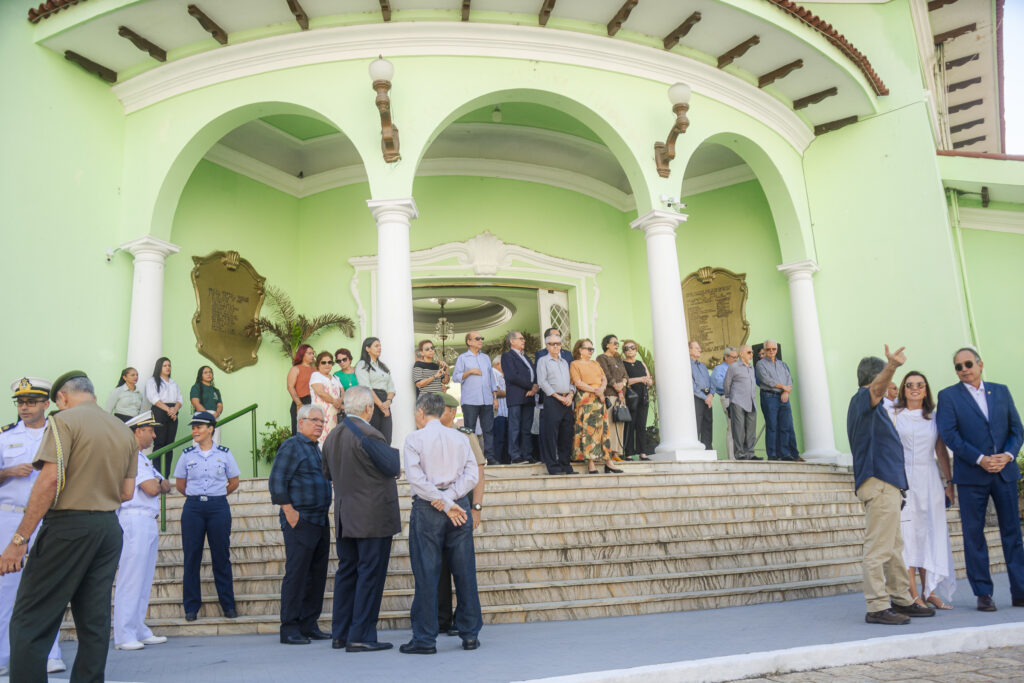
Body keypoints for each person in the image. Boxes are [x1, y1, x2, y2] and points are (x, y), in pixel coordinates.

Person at [2, 371, 137, 681]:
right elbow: (127, 493)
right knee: (93, 622)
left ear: (62, 398)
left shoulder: (63, 421)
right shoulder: (122, 429)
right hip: (107, 529)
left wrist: (19, 540)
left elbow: (48, 481)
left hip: (68, 527)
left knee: (29, 620)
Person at [847, 346, 935, 624]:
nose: (890, 388)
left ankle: (901, 598)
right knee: (878, 548)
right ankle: (876, 606)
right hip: (880, 483)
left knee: (894, 547)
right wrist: (893, 366)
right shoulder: (864, 398)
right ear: (875, 380)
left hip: (890, 486)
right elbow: (876, 389)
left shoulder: (875, 410)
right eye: (887, 382)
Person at [936, 347, 1024, 612]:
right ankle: (983, 593)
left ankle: (1020, 591)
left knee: (1013, 534)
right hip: (972, 475)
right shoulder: (948, 396)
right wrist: (980, 459)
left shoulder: (1001, 391)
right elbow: (950, 435)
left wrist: (1007, 455)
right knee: (973, 535)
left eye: (967, 364)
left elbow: (1016, 429)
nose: (963, 369)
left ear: (980, 364)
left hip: (1004, 472)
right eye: (958, 367)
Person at [400, 393, 481, 655]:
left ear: (422, 412)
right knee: (465, 570)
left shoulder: (413, 439)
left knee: (426, 573)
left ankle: (424, 639)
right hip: (458, 505)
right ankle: (470, 635)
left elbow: (417, 479)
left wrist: (443, 501)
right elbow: (473, 474)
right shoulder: (460, 437)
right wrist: (452, 499)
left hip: (430, 508)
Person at [322, 387, 401, 652]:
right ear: (368, 408)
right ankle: (362, 635)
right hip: (372, 516)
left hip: (346, 515)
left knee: (347, 573)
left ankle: (340, 633)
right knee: (370, 575)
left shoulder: (333, 435)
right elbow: (391, 467)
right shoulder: (369, 433)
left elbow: (327, 473)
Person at [0, 378, 64, 675]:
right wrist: (7, 471)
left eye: (31, 402)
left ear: (45, 404)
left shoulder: (59, 435)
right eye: (21, 402)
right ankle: (3, 656)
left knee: (48, 587)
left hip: (48, 517)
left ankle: (49, 653)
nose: (25, 407)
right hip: (10, 516)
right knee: (6, 588)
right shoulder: (4, 437)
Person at [889, 372, 956, 611]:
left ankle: (931, 592)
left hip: (929, 480)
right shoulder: (894, 416)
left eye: (920, 385)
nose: (915, 388)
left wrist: (949, 482)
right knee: (908, 536)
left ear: (926, 390)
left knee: (930, 533)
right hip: (904, 479)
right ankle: (913, 593)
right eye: (909, 385)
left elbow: (941, 452)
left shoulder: (934, 418)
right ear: (904, 390)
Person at [268, 404, 332, 645]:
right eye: (314, 420)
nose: (319, 424)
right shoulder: (291, 446)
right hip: (301, 520)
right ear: (301, 421)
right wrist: (290, 512)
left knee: (316, 575)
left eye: (322, 421)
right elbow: (277, 481)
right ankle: (290, 627)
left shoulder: (316, 448)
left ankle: (309, 623)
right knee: (297, 574)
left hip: (319, 520)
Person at [114, 411, 172, 651]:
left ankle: (138, 627)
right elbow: (151, 487)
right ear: (138, 431)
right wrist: (161, 485)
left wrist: (162, 485)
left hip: (146, 519)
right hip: (133, 518)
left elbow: (163, 485)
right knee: (131, 578)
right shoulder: (131, 457)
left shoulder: (142, 458)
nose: (154, 434)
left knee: (144, 577)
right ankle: (124, 633)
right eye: (150, 430)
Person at [174, 411, 240, 621]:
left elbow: (234, 481)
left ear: (211, 429)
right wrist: (199, 497)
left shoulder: (224, 453)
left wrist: (216, 495)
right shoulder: (186, 455)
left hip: (218, 507)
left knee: (221, 557)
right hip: (193, 508)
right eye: (193, 427)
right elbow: (180, 485)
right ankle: (191, 608)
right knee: (191, 557)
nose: (195, 431)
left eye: (199, 427)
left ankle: (228, 605)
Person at [436, 392, 486, 636]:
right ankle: (440, 617)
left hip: (461, 506)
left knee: (463, 567)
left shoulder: (465, 436)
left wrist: (476, 506)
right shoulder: (426, 436)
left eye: (444, 409)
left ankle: (463, 619)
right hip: (435, 508)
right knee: (438, 566)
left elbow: (478, 474)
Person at [571, 339, 620, 474]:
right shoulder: (575, 364)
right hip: (586, 399)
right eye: (588, 349)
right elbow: (578, 382)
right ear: (580, 350)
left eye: (592, 349)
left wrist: (602, 389)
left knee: (603, 430)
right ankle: (591, 463)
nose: (591, 351)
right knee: (589, 430)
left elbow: (604, 378)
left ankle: (608, 461)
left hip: (599, 398)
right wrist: (595, 391)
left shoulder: (595, 363)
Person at [452, 331, 497, 465]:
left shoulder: (486, 358)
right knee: (470, 430)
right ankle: (471, 459)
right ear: (469, 342)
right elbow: (455, 377)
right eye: (477, 338)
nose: (480, 340)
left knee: (488, 430)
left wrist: (494, 396)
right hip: (470, 400)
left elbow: (491, 378)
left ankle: (490, 457)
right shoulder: (463, 358)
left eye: (481, 338)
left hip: (487, 399)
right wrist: (470, 372)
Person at [536, 333, 576, 476]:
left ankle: (565, 465)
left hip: (567, 400)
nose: (556, 346)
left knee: (566, 433)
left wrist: (571, 395)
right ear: (547, 346)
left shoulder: (565, 362)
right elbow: (542, 382)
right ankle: (553, 466)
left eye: (558, 343)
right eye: (552, 344)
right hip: (552, 399)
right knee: (551, 434)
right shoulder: (543, 361)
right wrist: (558, 397)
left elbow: (572, 382)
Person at [755, 340, 800, 462]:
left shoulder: (782, 364)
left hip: (783, 397)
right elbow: (766, 380)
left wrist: (786, 391)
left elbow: (789, 379)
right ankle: (773, 454)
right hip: (769, 397)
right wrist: (783, 387)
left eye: (773, 349)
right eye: (768, 349)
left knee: (785, 426)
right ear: (764, 350)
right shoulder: (760, 364)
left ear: (777, 350)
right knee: (772, 426)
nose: (771, 351)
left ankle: (785, 453)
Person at [501, 330, 538, 464]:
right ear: (512, 341)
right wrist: (531, 386)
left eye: (523, 338)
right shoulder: (507, 356)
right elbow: (512, 376)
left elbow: (534, 373)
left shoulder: (526, 357)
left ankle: (527, 454)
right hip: (516, 397)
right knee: (515, 427)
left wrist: (535, 387)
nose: (524, 340)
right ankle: (515, 456)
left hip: (529, 397)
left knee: (526, 428)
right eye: (521, 338)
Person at [355, 337, 396, 444]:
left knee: (387, 438)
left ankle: (385, 460)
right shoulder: (362, 365)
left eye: (380, 346)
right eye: (376, 346)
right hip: (371, 402)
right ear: (367, 348)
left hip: (385, 401)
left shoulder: (383, 367)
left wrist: (388, 401)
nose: (379, 348)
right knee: (373, 437)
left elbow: (391, 387)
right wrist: (381, 406)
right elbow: (367, 387)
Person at [146, 356, 182, 477]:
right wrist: (169, 410)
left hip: (173, 413)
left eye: (169, 365)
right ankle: (157, 476)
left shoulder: (173, 383)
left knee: (170, 445)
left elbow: (179, 399)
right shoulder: (152, 381)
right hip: (160, 411)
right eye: (165, 365)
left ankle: (165, 476)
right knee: (159, 444)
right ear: (159, 367)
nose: (168, 368)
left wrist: (175, 410)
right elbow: (154, 398)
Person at [596, 334, 628, 463]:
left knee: (620, 423)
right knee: (610, 424)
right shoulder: (601, 358)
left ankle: (617, 453)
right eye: (614, 343)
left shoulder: (618, 359)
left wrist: (624, 383)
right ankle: (607, 453)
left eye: (617, 343)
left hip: (621, 396)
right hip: (611, 395)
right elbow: (606, 375)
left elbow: (626, 375)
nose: (616, 345)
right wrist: (618, 388)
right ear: (607, 344)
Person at [724, 346, 759, 461]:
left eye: (752, 352)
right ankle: (739, 454)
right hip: (737, 401)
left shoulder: (751, 367)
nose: (751, 354)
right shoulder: (734, 366)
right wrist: (730, 399)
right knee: (738, 429)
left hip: (751, 401)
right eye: (749, 352)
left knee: (751, 430)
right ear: (741, 354)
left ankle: (750, 453)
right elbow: (727, 384)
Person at [621, 340, 652, 461]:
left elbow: (649, 380)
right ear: (624, 351)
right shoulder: (623, 364)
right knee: (630, 424)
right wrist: (640, 379)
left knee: (641, 425)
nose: (630, 350)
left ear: (636, 349)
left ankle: (642, 452)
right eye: (626, 348)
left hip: (643, 397)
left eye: (632, 347)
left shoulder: (641, 363)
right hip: (631, 398)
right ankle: (628, 453)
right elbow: (626, 381)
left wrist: (648, 381)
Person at [309, 351, 344, 446]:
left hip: (334, 416)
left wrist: (339, 401)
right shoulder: (316, 376)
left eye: (329, 362)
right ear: (318, 364)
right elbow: (320, 392)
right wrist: (336, 402)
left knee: (333, 443)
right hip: (321, 416)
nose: (327, 364)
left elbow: (342, 392)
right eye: (323, 362)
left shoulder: (335, 378)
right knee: (321, 443)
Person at [711, 347, 738, 460]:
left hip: (740, 398)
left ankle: (741, 454)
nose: (736, 360)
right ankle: (732, 457)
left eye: (737, 357)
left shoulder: (738, 368)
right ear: (726, 357)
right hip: (728, 398)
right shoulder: (720, 369)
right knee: (732, 427)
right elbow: (719, 383)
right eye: (733, 357)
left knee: (741, 428)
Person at [190, 365, 224, 443]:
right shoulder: (196, 387)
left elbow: (220, 405)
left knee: (215, 442)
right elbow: (196, 403)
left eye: (210, 372)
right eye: (205, 372)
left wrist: (216, 414)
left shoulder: (216, 390)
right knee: (199, 443)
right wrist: (208, 417)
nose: (209, 374)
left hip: (215, 417)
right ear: (200, 375)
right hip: (201, 416)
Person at [287, 344, 316, 436]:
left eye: (313, 353)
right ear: (302, 354)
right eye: (309, 353)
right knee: (299, 432)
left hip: (313, 402)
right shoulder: (295, 369)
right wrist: (299, 404)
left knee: (312, 432)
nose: (312, 355)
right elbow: (290, 387)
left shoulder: (315, 370)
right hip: (300, 401)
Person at [689, 341, 713, 452]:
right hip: (697, 396)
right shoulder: (687, 365)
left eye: (699, 348)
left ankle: (707, 448)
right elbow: (691, 384)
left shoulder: (702, 365)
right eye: (697, 348)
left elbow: (710, 381)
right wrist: (705, 397)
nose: (700, 350)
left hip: (707, 396)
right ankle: (696, 449)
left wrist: (711, 395)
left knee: (708, 423)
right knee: (697, 423)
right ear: (689, 350)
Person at [491, 358, 508, 464]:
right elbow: (495, 390)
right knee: (499, 439)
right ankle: (497, 461)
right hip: (499, 412)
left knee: (505, 439)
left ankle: (505, 461)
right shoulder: (493, 372)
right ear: (498, 364)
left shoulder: (501, 375)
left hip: (505, 412)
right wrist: (511, 393)